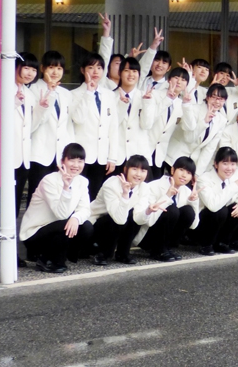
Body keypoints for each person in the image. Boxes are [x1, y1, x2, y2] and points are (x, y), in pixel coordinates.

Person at [0, 52, 38, 267]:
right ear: (15, 67)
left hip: (21, 158)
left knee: (12, 208)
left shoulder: (29, 93)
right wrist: (12, 102)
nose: (30, 73)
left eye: (33, 70)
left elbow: (29, 127)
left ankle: (8, 251)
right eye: (26, 68)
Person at [20, 143, 94, 273]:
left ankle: (60, 257)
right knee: (65, 224)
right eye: (72, 160)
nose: (76, 165)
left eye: (80, 161)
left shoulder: (82, 181)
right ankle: (45, 259)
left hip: (57, 228)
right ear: (62, 161)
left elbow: (85, 209)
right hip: (35, 234)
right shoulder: (49, 180)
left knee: (86, 226)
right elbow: (61, 214)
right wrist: (66, 188)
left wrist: (76, 218)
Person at [69, 53, 120, 201]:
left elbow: (113, 127)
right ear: (83, 70)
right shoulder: (73, 94)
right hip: (81, 157)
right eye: (91, 67)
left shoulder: (109, 95)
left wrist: (112, 157)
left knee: (95, 197)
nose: (95, 71)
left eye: (99, 67)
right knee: (77, 197)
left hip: (102, 156)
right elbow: (78, 119)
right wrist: (89, 94)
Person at [133, 156, 200, 262]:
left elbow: (193, 225)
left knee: (188, 211)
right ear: (172, 170)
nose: (184, 175)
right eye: (181, 170)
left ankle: (166, 248)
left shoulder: (186, 191)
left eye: (188, 173)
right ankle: (158, 250)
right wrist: (167, 196)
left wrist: (193, 202)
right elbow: (148, 221)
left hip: (165, 238)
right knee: (172, 210)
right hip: (147, 236)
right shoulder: (153, 186)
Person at [29, 51, 73, 202]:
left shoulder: (66, 93)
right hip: (39, 153)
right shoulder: (33, 89)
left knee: (58, 196)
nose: (55, 72)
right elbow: (38, 120)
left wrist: (70, 151)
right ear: (42, 68)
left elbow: (68, 125)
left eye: (59, 68)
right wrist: (50, 92)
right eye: (51, 67)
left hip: (60, 155)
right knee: (37, 196)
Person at [89, 154, 149, 265]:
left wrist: (148, 211)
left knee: (134, 215)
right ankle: (104, 253)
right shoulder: (112, 184)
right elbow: (118, 218)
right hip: (98, 223)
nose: (138, 174)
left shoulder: (144, 187)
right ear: (125, 169)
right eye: (134, 169)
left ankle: (123, 253)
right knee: (122, 215)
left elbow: (139, 218)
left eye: (143, 171)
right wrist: (125, 195)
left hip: (118, 221)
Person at [193, 147, 238, 255]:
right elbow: (213, 205)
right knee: (221, 211)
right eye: (225, 163)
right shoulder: (204, 179)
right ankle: (206, 245)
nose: (229, 168)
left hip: (218, 221)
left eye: (233, 164)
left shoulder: (234, 178)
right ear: (216, 164)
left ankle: (221, 243)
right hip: (202, 223)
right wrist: (233, 187)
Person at [166, 83, 227, 174]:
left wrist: (198, 173)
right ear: (207, 97)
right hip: (173, 159)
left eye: (221, 99)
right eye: (214, 97)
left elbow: (209, 149)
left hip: (191, 164)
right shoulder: (193, 110)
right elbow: (189, 138)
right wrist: (204, 122)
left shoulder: (221, 120)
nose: (217, 102)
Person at [148, 67, 193, 179]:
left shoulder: (181, 104)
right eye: (176, 77)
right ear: (169, 80)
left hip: (160, 155)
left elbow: (190, 127)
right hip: (145, 148)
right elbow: (149, 120)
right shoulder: (154, 95)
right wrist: (167, 100)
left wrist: (186, 105)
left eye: (183, 80)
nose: (179, 82)